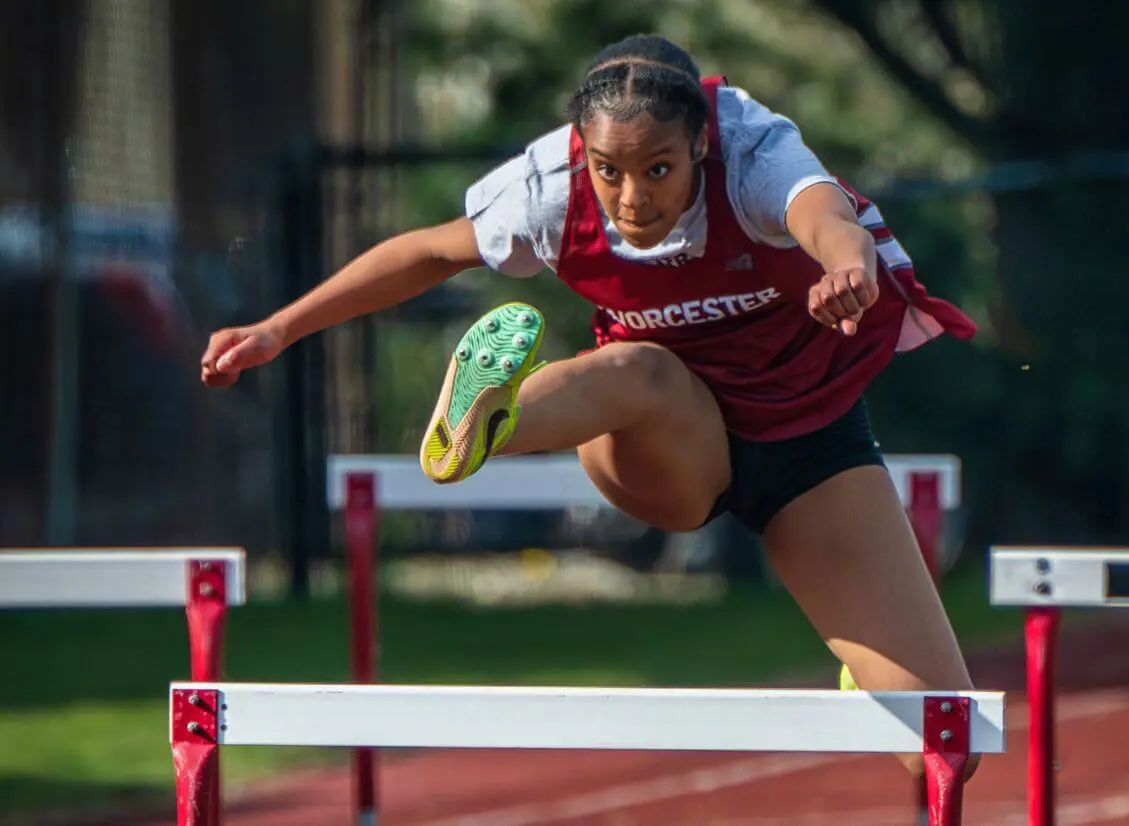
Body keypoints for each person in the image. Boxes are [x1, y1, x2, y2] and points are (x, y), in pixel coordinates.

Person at [201, 33, 981, 781]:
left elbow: (828, 217)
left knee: (943, 740)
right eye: (609, 171)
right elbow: (428, 251)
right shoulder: (549, 185)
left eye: (658, 170)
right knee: (639, 369)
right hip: (669, 449)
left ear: (701, 147)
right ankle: (491, 423)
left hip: (811, 445)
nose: (630, 199)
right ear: (583, 150)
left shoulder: (755, 151)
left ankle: (866, 665)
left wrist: (845, 268)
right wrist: (278, 327)